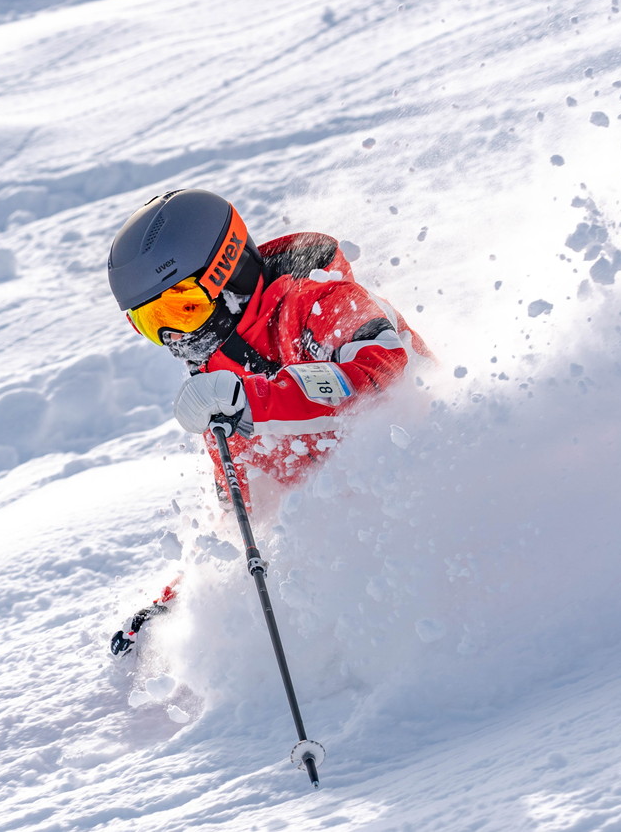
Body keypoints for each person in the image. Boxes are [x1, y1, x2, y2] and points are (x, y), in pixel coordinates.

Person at [106, 188, 431, 654]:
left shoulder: (324, 301)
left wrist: (254, 399)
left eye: (182, 308)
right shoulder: (218, 374)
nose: (175, 337)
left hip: (431, 500)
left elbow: (380, 369)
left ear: (227, 271)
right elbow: (250, 515)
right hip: (357, 562)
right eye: (150, 321)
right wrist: (185, 600)